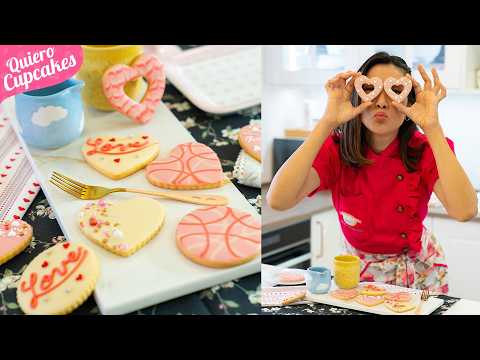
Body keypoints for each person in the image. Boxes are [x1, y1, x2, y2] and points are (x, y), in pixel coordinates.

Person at [266, 52, 478, 293]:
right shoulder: (337, 149)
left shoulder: (426, 149)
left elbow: (465, 211)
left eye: (395, 90)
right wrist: (327, 121)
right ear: (357, 96)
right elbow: (278, 200)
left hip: (419, 274)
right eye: (371, 89)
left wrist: (432, 127)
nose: (382, 102)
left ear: (408, 100)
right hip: (355, 273)